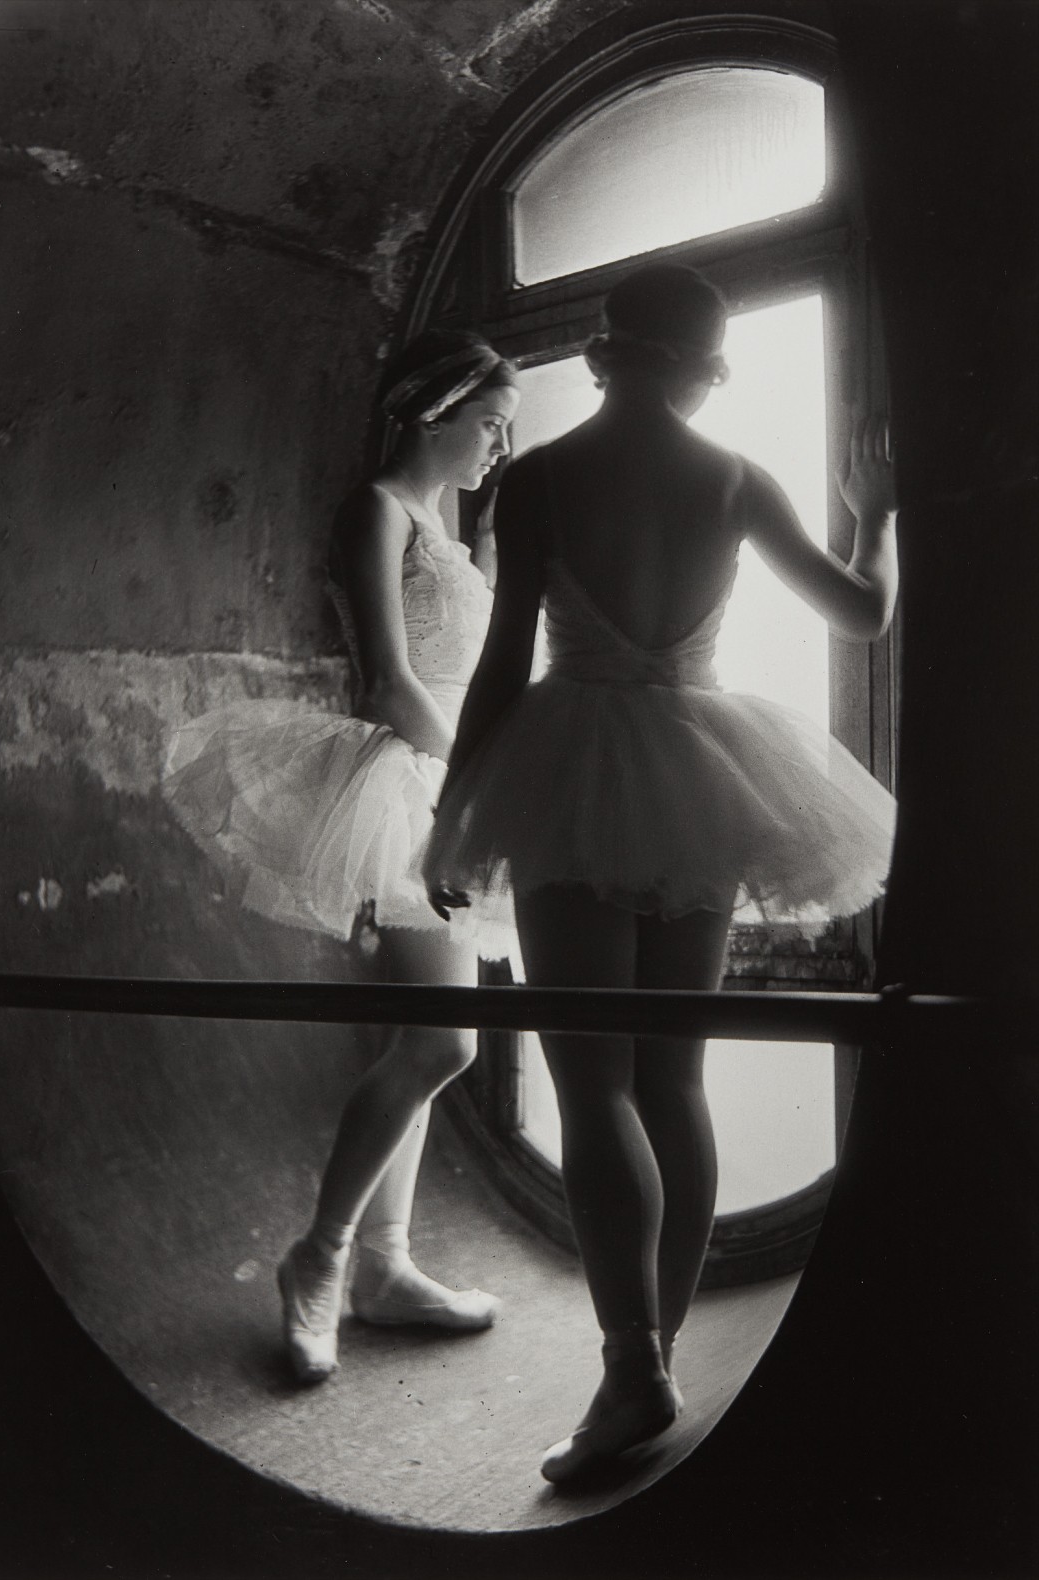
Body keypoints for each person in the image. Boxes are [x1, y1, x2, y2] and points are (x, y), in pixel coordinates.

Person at [424, 263, 898, 1482]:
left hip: (569, 763)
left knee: (595, 1086)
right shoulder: (735, 478)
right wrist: (877, 514)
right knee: (674, 1078)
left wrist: (453, 810)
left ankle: (631, 1363)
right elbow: (860, 615)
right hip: (700, 769)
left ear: (602, 351)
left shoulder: (536, 479)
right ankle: (656, 1352)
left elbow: (499, 662)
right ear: (706, 364)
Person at [162, 330, 520, 1383]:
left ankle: (385, 1267)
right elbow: (388, 683)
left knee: (431, 1037)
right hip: (414, 778)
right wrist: (478, 796)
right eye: (490, 422)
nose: (499, 444)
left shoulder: (450, 525)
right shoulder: (377, 508)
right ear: (434, 410)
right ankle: (320, 1259)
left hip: (452, 773)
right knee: (444, 1045)